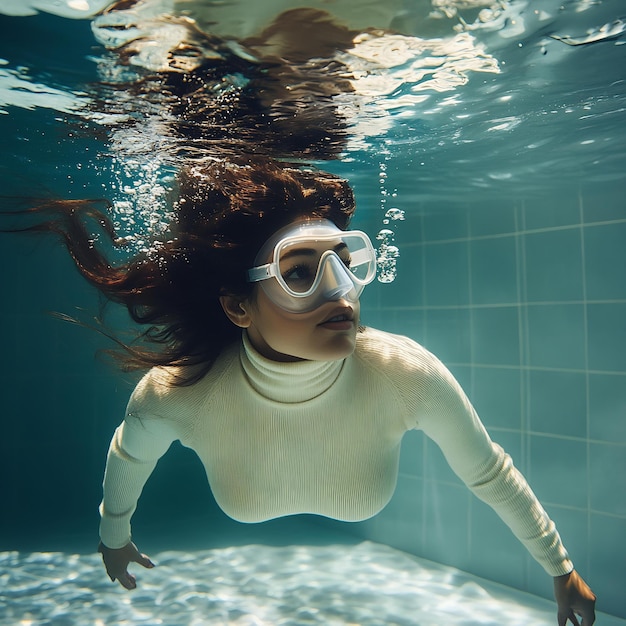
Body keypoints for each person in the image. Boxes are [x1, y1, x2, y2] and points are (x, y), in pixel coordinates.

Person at [6, 157, 595, 625]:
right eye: (299, 271)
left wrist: (559, 568)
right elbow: (128, 454)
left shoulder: (403, 372)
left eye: (345, 261)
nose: (341, 293)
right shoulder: (181, 392)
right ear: (239, 305)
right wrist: (114, 533)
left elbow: (487, 473)